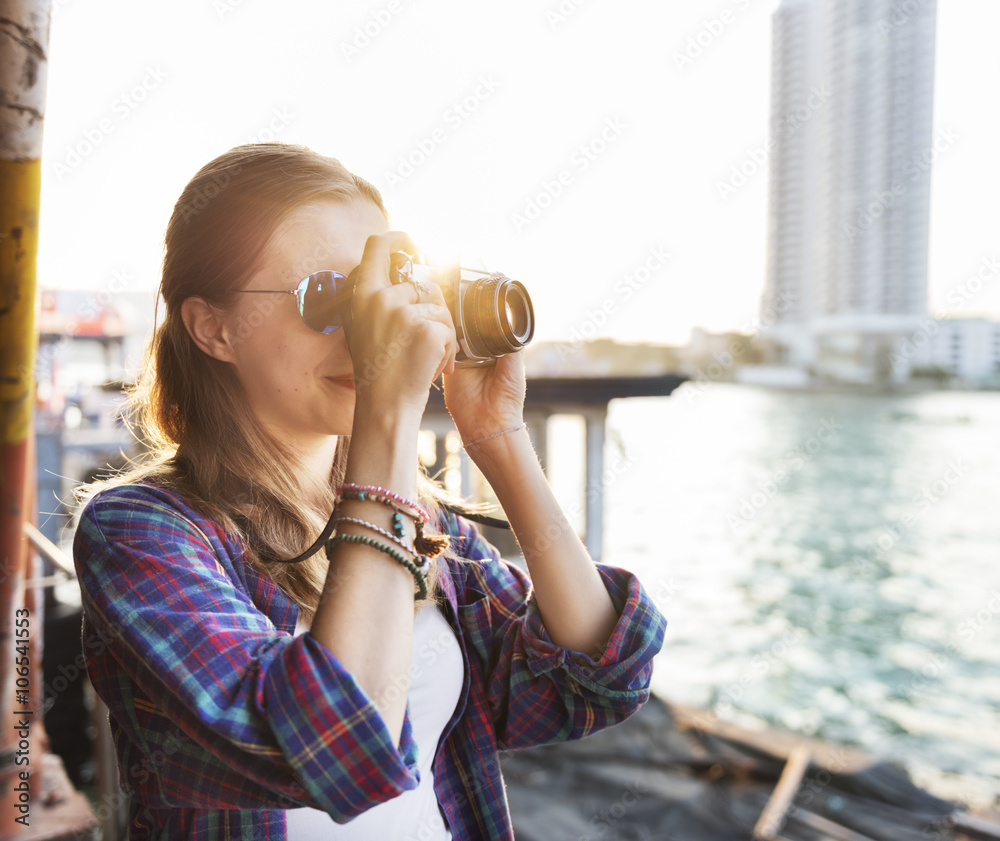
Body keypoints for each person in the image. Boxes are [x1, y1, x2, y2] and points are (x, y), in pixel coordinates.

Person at [72, 142, 667, 840]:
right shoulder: (140, 533)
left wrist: (498, 437)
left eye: (377, 293)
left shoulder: (421, 522)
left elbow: (592, 679)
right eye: (328, 296)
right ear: (214, 327)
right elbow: (336, 752)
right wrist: (387, 414)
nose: (366, 332)